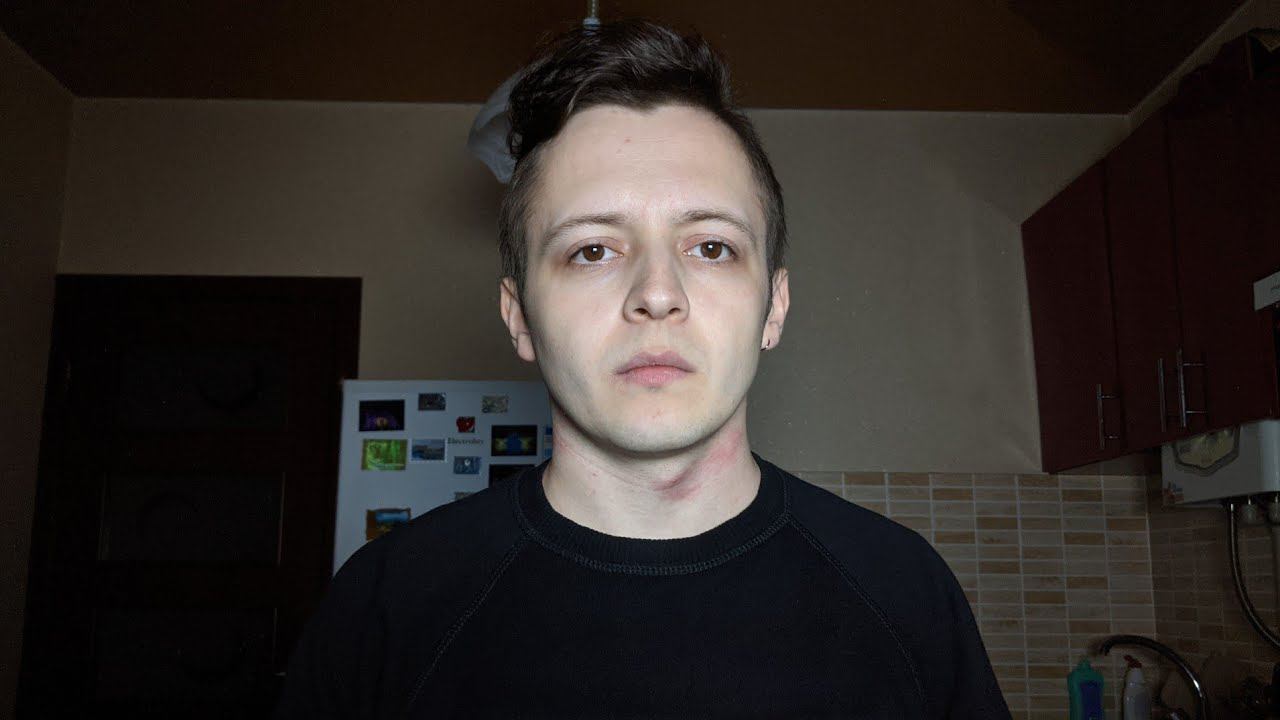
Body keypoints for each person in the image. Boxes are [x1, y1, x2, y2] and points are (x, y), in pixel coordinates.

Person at [275, 18, 1011, 720]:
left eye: (712, 247)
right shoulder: (385, 606)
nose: (657, 294)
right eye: (592, 250)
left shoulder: (905, 591)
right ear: (519, 315)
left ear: (775, 306)